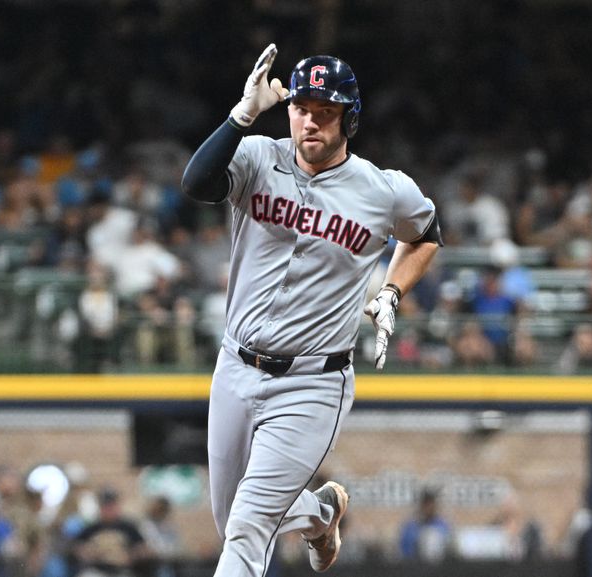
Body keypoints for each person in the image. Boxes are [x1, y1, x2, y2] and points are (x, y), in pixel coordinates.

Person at [180, 44, 441, 577]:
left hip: (312, 384)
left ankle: (313, 514)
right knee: (229, 516)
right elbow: (197, 184)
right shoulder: (257, 157)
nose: (310, 121)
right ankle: (320, 512)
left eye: (326, 112)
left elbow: (427, 234)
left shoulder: (384, 190)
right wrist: (241, 114)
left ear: (350, 118)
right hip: (235, 366)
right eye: (302, 108)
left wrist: (392, 291)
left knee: (249, 527)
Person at [398, 488, 452, 563]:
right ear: (421, 506)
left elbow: (448, 546)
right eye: (426, 505)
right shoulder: (411, 526)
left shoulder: (442, 525)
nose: (429, 508)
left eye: (432, 505)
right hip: (415, 565)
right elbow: (404, 549)